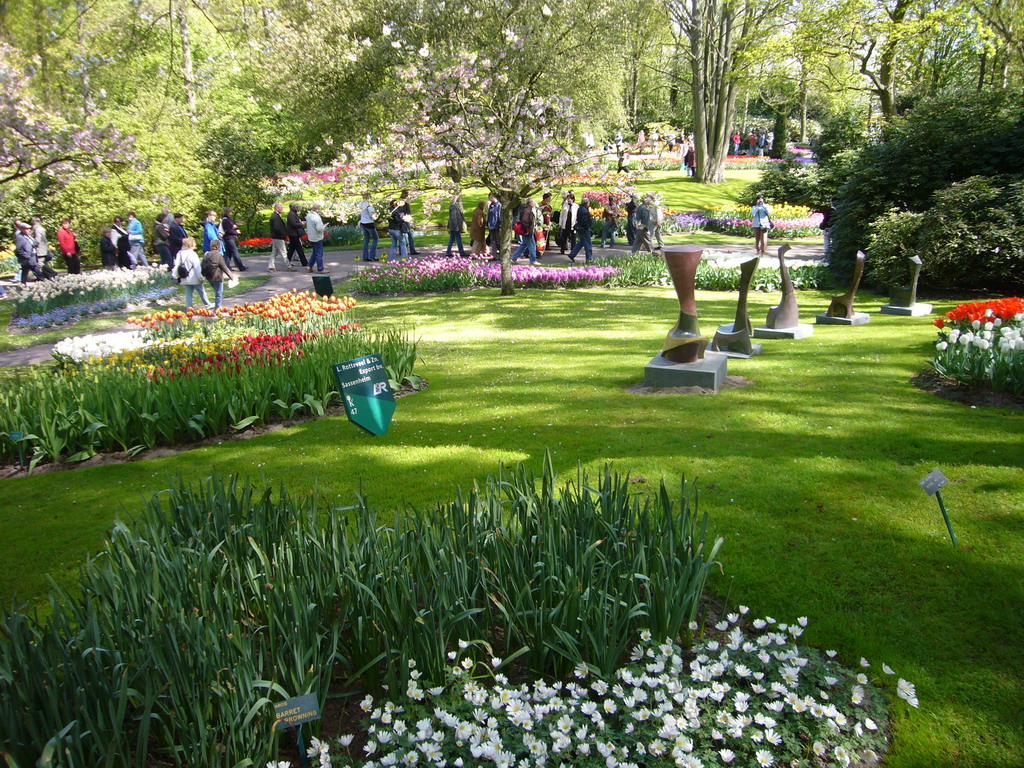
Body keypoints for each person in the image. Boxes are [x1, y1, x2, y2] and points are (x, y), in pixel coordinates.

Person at [173, 236, 213, 309]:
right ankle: (207, 304)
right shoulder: (192, 254)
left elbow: (176, 265)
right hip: (194, 277)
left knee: (188, 293)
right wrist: (201, 278)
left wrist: (175, 275)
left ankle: (189, 307)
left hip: (184, 276)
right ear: (191, 245)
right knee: (201, 291)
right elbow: (197, 267)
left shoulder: (180, 253)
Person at [203, 239, 235, 309]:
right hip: (217, 277)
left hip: (208, 277)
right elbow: (224, 268)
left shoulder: (206, 254)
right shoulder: (219, 256)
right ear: (218, 247)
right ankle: (218, 309)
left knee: (217, 292)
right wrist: (232, 277)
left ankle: (217, 306)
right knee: (219, 294)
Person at [511, 197, 539, 265]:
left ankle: (514, 257)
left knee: (524, 245)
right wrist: (527, 230)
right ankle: (533, 260)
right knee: (532, 246)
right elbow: (524, 221)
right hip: (527, 232)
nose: (535, 203)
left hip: (526, 231)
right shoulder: (528, 211)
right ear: (530, 203)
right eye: (534, 202)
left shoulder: (526, 210)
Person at [567, 199, 594, 264]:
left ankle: (572, 254)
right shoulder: (584, 210)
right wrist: (587, 227)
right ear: (586, 203)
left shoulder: (580, 208)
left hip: (580, 228)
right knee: (588, 245)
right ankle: (589, 259)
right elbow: (584, 221)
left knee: (581, 243)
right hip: (584, 230)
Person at [220, 207, 247, 271]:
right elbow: (228, 230)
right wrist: (236, 232)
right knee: (235, 252)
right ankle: (241, 267)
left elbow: (229, 227)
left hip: (229, 237)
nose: (231, 213)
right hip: (228, 238)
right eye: (231, 211)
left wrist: (234, 226)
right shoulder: (225, 220)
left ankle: (226, 267)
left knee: (228, 253)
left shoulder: (227, 219)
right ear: (228, 212)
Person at [357, 193, 379, 262]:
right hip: (369, 223)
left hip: (363, 222)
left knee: (366, 240)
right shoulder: (369, 205)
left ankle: (365, 256)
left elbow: (359, 213)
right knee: (375, 238)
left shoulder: (360, 204)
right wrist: (377, 216)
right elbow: (372, 215)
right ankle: (372, 255)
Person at [305, 202, 326, 272]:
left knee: (315, 252)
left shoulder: (308, 215)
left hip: (311, 236)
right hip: (317, 237)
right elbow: (319, 229)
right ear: (318, 209)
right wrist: (324, 226)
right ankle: (320, 269)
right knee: (319, 253)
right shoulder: (316, 217)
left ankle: (309, 266)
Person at [286, 202, 307, 269]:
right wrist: (301, 224)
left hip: (294, 234)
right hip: (293, 234)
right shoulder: (291, 214)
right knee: (299, 248)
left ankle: (287, 261)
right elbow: (293, 224)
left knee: (292, 248)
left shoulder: (293, 214)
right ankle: (304, 262)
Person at [268, 202, 287, 271]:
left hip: (275, 237)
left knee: (274, 252)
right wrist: (283, 234)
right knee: (283, 252)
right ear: (277, 208)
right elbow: (277, 228)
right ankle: (288, 266)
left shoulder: (274, 216)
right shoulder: (275, 217)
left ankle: (271, 266)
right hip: (278, 237)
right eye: (281, 208)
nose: (282, 209)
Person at [486, 193, 502, 260]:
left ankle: (502, 255)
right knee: (493, 241)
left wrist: (500, 225)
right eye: (490, 196)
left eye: (491, 196)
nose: (490, 198)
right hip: (491, 225)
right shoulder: (491, 205)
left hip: (497, 225)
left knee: (498, 241)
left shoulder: (498, 205)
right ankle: (494, 256)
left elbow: (499, 216)